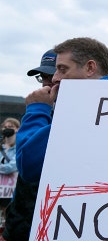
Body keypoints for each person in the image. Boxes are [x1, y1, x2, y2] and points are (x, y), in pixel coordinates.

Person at [16, 38, 108, 183]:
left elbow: (29, 166)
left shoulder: (80, 112)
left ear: (90, 68)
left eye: (62, 69)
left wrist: (37, 110)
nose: (54, 78)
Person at [2, 49, 57, 241]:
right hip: (21, 224)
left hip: (53, 225)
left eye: (56, 74)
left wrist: (36, 109)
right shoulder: (44, 111)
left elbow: (28, 164)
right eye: (44, 77)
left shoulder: (43, 111)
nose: (48, 83)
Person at [0, 118, 19, 228]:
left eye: (10, 127)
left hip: (11, 190)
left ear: (17, 129)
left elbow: (12, 167)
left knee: (8, 220)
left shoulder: (19, 148)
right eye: (5, 127)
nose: (7, 129)